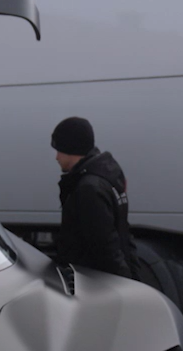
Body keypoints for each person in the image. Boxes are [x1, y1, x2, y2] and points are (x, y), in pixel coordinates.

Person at [51, 117, 140, 280]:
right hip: (105, 281)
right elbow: (123, 234)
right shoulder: (106, 175)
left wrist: (124, 286)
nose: (56, 157)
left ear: (71, 149)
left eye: (59, 150)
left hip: (93, 282)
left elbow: (105, 246)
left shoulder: (88, 189)